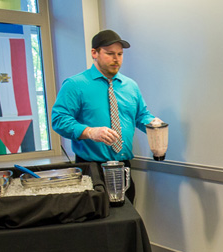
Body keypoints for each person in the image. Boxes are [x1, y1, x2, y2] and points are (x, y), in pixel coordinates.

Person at [52, 29, 162, 205]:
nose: (116, 59)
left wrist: (153, 124)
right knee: (97, 227)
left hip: (123, 166)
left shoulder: (130, 86)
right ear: (94, 53)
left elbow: (141, 115)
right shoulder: (75, 85)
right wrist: (89, 132)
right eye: (110, 54)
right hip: (91, 168)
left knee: (124, 221)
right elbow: (59, 120)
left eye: (119, 54)